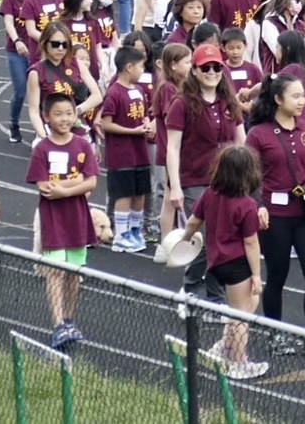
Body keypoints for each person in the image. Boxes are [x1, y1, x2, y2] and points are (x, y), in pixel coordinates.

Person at [243, 74, 305, 356]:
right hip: (275, 215)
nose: (301, 102)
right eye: (295, 96)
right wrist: (259, 205)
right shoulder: (258, 134)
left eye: (303, 96)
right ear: (278, 100)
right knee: (278, 274)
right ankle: (275, 332)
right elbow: (250, 176)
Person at [164, 44, 246, 306]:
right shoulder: (182, 103)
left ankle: (212, 294)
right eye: (205, 67)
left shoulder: (228, 101)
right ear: (195, 71)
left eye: (216, 67)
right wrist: (175, 187)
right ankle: (190, 288)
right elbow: (173, 146)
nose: (212, 72)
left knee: (220, 238)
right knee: (204, 234)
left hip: (227, 181)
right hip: (195, 179)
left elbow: (240, 140)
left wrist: (245, 177)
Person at [180, 145, 268, 379]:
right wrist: (257, 275)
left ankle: (225, 346)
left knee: (245, 306)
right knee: (243, 314)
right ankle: (239, 362)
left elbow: (193, 222)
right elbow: (251, 243)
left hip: (215, 261)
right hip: (237, 262)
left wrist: (183, 242)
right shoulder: (248, 205)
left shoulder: (209, 194)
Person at [26, 93, 99, 350]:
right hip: (53, 219)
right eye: (58, 114)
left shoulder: (82, 145)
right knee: (55, 272)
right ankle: (57, 324)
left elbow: (91, 181)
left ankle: (69, 319)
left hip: (77, 217)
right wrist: (76, 182)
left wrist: (66, 190)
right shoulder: (42, 149)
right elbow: (44, 187)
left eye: (69, 113)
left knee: (73, 273)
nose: (65, 119)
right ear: (46, 117)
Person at [97, 46, 154, 253]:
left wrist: (146, 124)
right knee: (124, 194)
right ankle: (121, 235)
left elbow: (145, 114)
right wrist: (133, 131)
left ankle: (135, 230)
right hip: (121, 154)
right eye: (140, 67)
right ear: (128, 67)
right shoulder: (114, 93)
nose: (142, 71)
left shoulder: (139, 91)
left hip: (140, 153)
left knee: (140, 193)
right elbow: (106, 124)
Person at [25, 20, 100, 143]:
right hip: (51, 131)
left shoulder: (77, 64)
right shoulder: (36, 72)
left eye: (64, 45)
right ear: (45, 43)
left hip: (78, 129)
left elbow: (97, 96)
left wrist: (74, 112)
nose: (60, 48)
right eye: (55, 44)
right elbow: (33, 111)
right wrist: (43, 136)